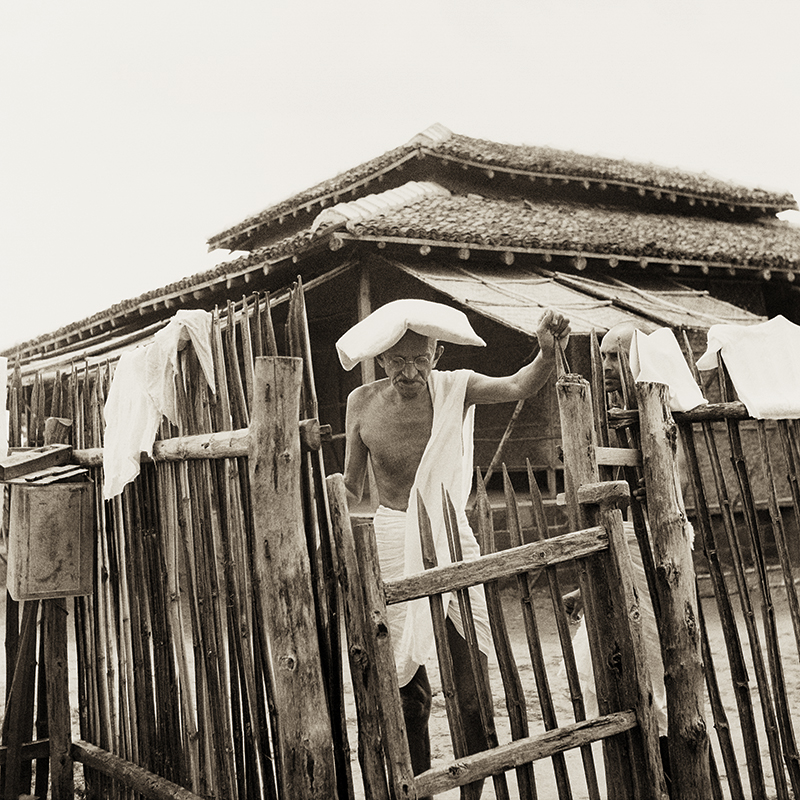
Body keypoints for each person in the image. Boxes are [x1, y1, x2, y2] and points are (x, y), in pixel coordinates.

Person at [340, 299, 570, 798]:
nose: (409, 371)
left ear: (436, 355)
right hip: (390, 542)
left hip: (449, 535)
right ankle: (416, 787)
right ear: (382, 360)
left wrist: (547, 354)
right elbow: (355, 489)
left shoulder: (455, 388)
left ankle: (472, 790)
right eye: (398, 360)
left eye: (419, 359)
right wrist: (326, 478)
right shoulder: (360, 404)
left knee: (471, 688)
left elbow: (517, 385)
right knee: (406, 692)